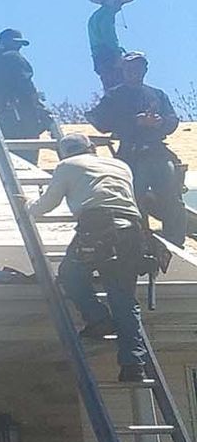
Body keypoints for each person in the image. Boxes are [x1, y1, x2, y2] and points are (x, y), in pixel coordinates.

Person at [28, 135, 152, 383]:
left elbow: (47, 204)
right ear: (92, 148)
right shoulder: (120, 165)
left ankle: (98, 318)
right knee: (123, 299)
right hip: (132, 232)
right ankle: (133, 364)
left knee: (70, 275)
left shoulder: (66, 166)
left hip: (97, 227)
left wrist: (27, 206)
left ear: (64, 153)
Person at [89, 51, 186, 247]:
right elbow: (99, 120)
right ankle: (138, 240)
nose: (135, 72)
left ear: (145, 70)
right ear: (123, 70)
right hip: (131, 153)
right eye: (130, 68)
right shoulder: (115, 95)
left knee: (171, 195)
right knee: (134, 198)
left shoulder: (157, 94)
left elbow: (172, 119)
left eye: (139, 68)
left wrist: (159, 123)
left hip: (157, 151)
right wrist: (134, 122)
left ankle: (174, 241)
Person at [87, 0, 137, 92]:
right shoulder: (106, 15)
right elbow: (108, 36)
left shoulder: (96, 16)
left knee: (109, 86)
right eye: (119, 1)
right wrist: (117, 54)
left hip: (99, 58)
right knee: (119, 86)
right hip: (108, 56)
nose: (120, 5)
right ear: (112, 0)